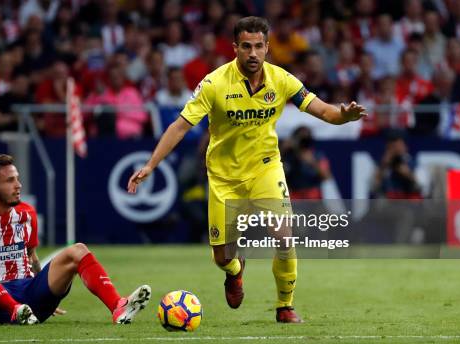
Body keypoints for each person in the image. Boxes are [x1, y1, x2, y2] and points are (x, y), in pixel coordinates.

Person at [127, 17, 366, 323]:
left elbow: (323, 110)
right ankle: (235, 271)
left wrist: (343, 117)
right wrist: (150, 165)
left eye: (258, 46)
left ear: (267, 48)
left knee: (284, 238)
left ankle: (285, 306)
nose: (253, 53)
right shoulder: (214, 84)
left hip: (265, 169)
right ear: (236, 48)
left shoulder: (283, 80)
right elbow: (180, 126)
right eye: (246, 46)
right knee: (222, 257)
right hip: (224, 178)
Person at [0, 154, 150, 325]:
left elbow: (31, 256)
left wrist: (47, 289)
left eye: (18, 179)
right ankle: (14, 309)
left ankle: (118, 307)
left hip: (30, 294)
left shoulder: (26, 213)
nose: (18, 185)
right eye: (10, 181)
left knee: (77, 249)